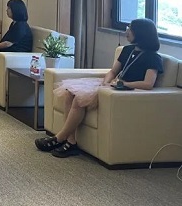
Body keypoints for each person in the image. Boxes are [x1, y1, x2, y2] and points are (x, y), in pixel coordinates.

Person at [34, 18, 163, 158]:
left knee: (79, 100)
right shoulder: (127, 50)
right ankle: (71, 142)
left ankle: (59, 138)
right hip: (111, 84)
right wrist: (106, 83)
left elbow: (148, 84)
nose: (127, 31)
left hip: (126, 90)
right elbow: (113, 71)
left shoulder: (153, 57)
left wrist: (125, 84)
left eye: (130, 29)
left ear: (140, 33)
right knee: (69, 93)